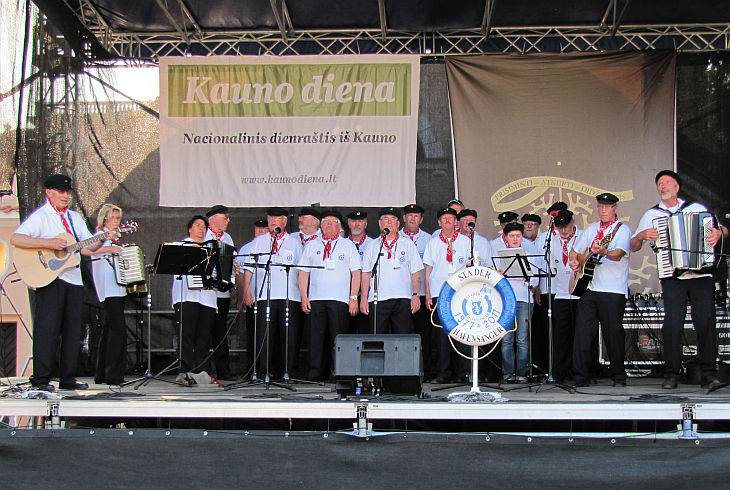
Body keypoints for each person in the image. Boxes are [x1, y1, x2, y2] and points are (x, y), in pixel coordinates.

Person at [12, 174, 116, 391]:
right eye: (61, 191)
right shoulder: (42, 216)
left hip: (74, 280)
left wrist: (103, 238)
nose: (65, 196)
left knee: (73, 331)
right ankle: (41, 378)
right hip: (51, 279)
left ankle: (67, 377)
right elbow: (17, 238)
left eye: (67, 192)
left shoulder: (74, 218)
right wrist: (48, 243)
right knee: (47, 329)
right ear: (49, 192)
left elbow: (86, 248)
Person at [630, 170, 728, 390]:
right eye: (659, 184)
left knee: (706, 321)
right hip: (672, 275)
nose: (663, 186)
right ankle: (671, 374)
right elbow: (634, 246)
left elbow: (722, 229)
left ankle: (709, 373)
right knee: (672, 324)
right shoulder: (652, 215)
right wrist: (641, 236)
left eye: (667, 182)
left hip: (701, 273)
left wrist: (719, 233)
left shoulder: (696, 208)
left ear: (677, 187)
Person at [569, 193, 632, 387]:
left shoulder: (622, 230)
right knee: (583, 333)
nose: (603, 210)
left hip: (613, 289)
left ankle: (618, 375)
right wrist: (575, 262)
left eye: (607, 207)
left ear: (615, 208)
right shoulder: (592, 229)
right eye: (600, 207)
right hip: (590, 287)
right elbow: (574, 252)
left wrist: (605, 252)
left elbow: (619, 254)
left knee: (613, 333)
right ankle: (580, 376)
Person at [298, 210, 361, 381]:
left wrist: (353, 297)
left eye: (333, 223)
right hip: (316, 299)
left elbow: (356, 273)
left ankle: (339, 374)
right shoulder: (311, 245)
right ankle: (315, 373)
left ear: (339, 226)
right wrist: (304, 297)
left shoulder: (348, 245)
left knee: (338, 338)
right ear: (321, 226)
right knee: (316, 338)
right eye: (326, 222)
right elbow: (303, 273)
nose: (329, 225)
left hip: (339, 299)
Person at [243, 208, 302, 378]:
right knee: (264, 335)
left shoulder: (294, 243)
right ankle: (264, 372)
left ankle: (288, 372)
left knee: (288, 337)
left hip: (289, 296)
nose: (273, 222)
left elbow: (302, 271)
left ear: (284, 221)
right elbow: (249, 268)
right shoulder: (259, 242)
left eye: (277, 219)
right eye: (270, 219)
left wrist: (303, 295)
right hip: (264, 296)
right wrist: (247, 291)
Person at [534, 209, 583, 383]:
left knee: (580, 335)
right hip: (560, 292)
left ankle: (580, 371)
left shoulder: (582, 237)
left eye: (566, 226)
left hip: (580, 292)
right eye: (559, 227)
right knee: (560, 335)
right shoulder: (550, 239)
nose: (563, 230)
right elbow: (544, 264)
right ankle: (560, 371)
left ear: (573, 222)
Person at [424, 207, 472, 383]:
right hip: (439, 292)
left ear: (456, 222)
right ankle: (443, 373)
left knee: (461, 333)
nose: (447, 221)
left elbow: (470, 266)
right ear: (439, 222)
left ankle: (463, 372)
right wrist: (428, 294)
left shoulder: (465, 241)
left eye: (450, 218)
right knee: (441, 335)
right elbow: (428, 269)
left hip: (460, 293)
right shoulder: (433, 243)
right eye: (444, 218)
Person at [360, 207, 423, 334]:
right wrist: (363, 298)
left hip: (402, 298)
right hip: (378, 299)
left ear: (398, 223)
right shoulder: (372, 246)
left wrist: (416, 295)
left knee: (402, 338)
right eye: (385, 219)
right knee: (378, 338)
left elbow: (416, 272)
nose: (389, 222)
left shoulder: (407, 244)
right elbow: (366, 274)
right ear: (379, 223)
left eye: (393, 219)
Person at [172, 215, 218, 374]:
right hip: (187, 297)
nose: (201, 229)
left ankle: (202, 372)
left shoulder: (212, 249)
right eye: (198, 225)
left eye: (204, 226)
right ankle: (185, 372)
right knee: (186, 336)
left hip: (207, 299)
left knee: (203, 339)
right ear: (190, 228)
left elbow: (220, 273)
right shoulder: (180, 246)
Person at [494, 222, 538, 383]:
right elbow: (494, 281)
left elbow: (535, 281)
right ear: (505, 237)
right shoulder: (500, 256)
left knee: (522, 339)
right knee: (506, 339)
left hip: (524, 298)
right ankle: (507, 373)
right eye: (511, 236)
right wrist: (500, 276)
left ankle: (522, 373)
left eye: (518, 236)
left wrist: (527, 277)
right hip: (506, 300)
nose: (515, 239)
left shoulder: (529, 255)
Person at [90, 203, 127, 386]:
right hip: (108, 287)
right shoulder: (100, 235)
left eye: (118, 218)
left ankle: (102, 373)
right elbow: (89, 251)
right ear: (104, 218)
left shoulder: (114, 238)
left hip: (116, 286)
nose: (116, 221)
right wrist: (109, 248)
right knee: (118, 330)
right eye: (112, 217)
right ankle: (114, 374)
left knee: (109, 329)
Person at [400, 204, 435, 377]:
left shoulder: (428, 239)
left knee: (424, 335)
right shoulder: (395, 237)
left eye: (416, 216)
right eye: (409, 215)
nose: (412, 219)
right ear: (404, 218)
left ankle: (426, 370)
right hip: (401, 295)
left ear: (421, 220)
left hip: (421, 294)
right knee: (403, 334)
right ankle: (403, 370)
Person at [204, 204, 236, 380]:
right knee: (203, 331)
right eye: (225, 218)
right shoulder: (203, 235)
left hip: (222, 293)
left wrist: (233, 286)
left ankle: (223, 370)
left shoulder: (228, 238)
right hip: (205, 293)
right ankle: (204, 370)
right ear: (214, 219)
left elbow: (231, 264)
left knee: (220, 332)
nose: (228, 221)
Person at [235, 219, 270, 376]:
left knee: (268, 334)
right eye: (257, 229)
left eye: (263, 229)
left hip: (268, 298)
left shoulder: (272, 246)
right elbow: (240, 274)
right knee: (252, 334)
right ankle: (251, 368)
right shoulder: (247, 248)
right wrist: (242, 295)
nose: (260, 232)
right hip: (252, 298)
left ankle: (267, 368)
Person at [347, 209, 374, 334]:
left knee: (365, 330)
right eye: (353, 221)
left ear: (366, 224)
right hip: (346, 293)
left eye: (360, 221)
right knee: (346, 331)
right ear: (349, 224)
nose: (357, 224)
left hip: (365, 294)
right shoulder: (343, 243)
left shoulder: (372, 244)